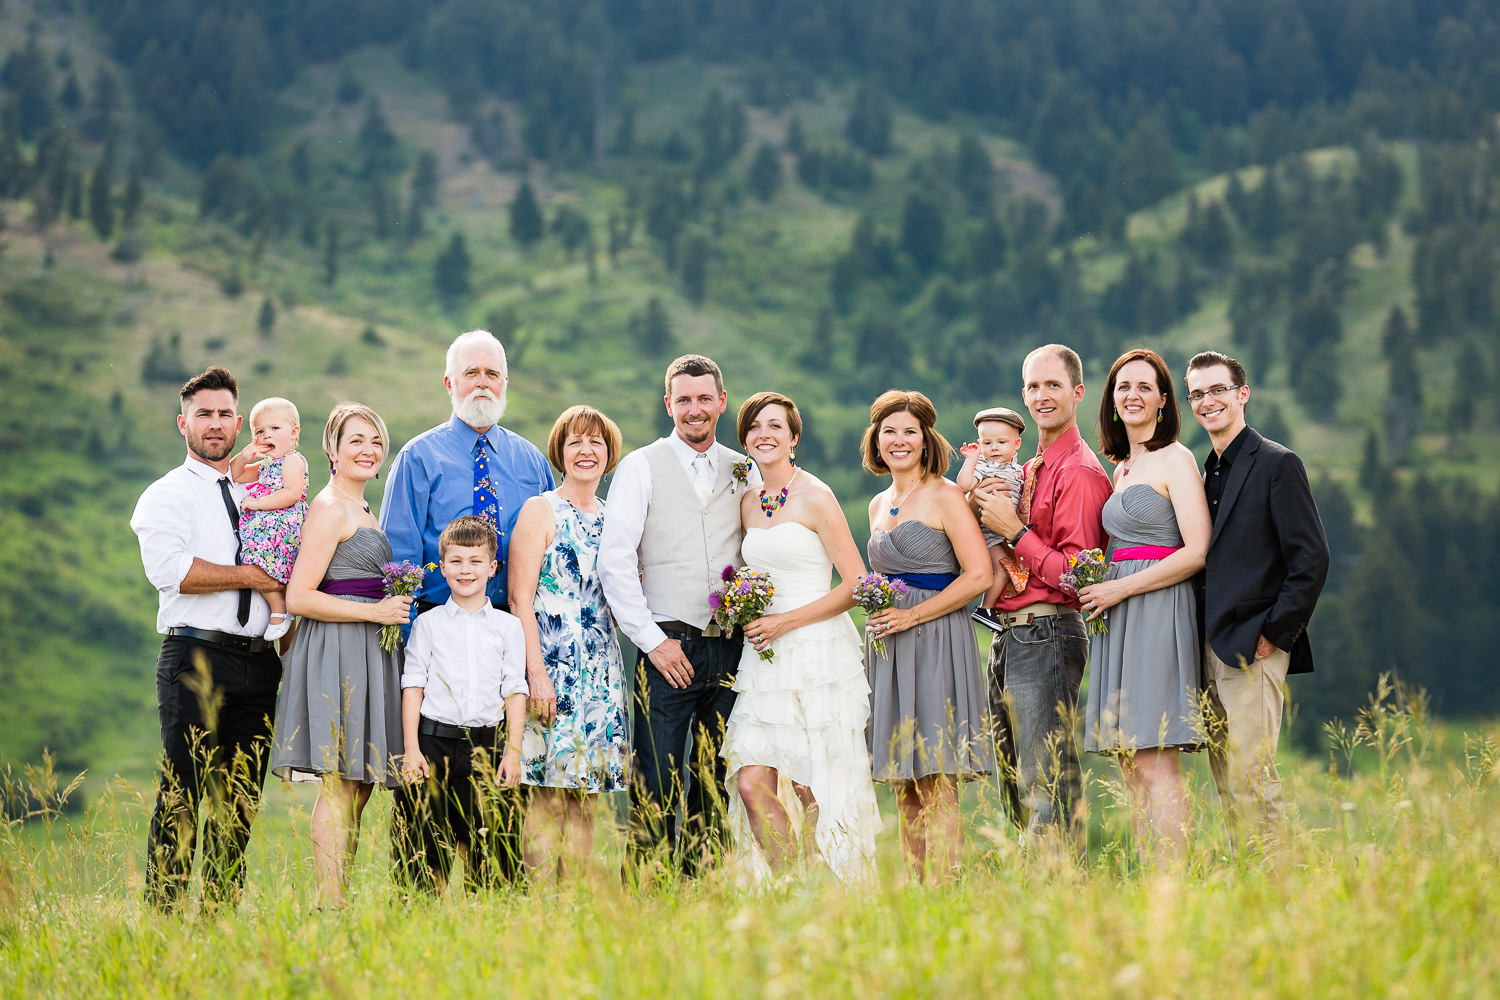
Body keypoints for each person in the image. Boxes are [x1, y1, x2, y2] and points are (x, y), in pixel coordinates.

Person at [379, 328, 553, 882]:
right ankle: (417, 906)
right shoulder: (418, 458)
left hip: (510, 647)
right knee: (425, 818)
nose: (482, 382)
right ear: (449, 383)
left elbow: (553, 549)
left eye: (492, 373)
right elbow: (400, 559)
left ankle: (495, 905)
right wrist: (411, 656)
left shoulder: (530, 462)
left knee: (499, 814)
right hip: (438, 646)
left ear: (506, 382)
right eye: (471, 373)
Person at [130, 366, 285, 913]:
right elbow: (173, 572)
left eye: (224, 414)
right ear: (183, 423)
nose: (215, 424)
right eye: (204, 414)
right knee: (182, 797)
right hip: (194, 656)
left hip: (259, 663)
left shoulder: (258, 493)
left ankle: (216, 921)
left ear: (239, 422)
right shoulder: (165, 495)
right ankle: (164, 921)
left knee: (239, 802)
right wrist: (253, 577)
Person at [720, 392, 882, 885]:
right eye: (753, 427)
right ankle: (796, 883)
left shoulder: (816, 495)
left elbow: (857, 584)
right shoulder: (748, 501)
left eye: (775, 426)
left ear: (794, 438)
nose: (763, 434)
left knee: (813, 787)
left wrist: (786, 622)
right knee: (752, 781)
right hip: (764, 657)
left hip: (815, 649)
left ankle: (835, 892)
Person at [598, 354, 749, 880]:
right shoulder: (641, 465)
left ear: (721, 402)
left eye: (705, 398)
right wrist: (652, 641)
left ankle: (704, 890)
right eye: (683, 399)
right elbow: (614, 561)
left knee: (713, 777)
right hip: (668, 646)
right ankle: (647, 897)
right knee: (656, 778)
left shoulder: (742, 467)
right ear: (669, 404)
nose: (695, 409)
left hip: (731, 647)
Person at [1185, 350, 1329, 844]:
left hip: (1255, 646)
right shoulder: (1208, 471)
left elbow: (1311, 559)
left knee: (1252, 773)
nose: (1208, 402)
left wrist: (1274, 633)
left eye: (1218, 389)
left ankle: (1276, 883)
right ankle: (1248, 878)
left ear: (1242, 394)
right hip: (1208, 644)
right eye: (1198, 394)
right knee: (1226, 779)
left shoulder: (1277, 462)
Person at [270, 402, 410, 909]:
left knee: (359, 783)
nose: (368, 450)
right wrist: (375, 614)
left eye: (375, 441)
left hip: (368, 649)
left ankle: (340, 895)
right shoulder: (330, 507)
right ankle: (330, 902)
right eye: (356, 440)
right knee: (340, 782)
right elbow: (299, 596)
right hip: (338, 646)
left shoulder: (364, 509)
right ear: (331, 450)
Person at [974, 344, 1112, 851]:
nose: (1041, 395)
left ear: (1077, 393)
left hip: (1049, 631)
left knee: (1045, 782)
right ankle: (1037, 896)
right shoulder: (1029, 466)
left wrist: (1014, 533)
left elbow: (1079, 577)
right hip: (1013, 634)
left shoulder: (1077, 471)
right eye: (1032, 386)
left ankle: (1056, 899)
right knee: (1015, 780)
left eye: (1052, 385)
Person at [1075, 349, 1210, 865]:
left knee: (1155, 758)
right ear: (1111, 400)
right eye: (1123, 386)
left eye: (1144, 387)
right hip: (1118, 614)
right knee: (1130, 758)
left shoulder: (1176, 458)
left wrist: (1120, 590)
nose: (1132, 395)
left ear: (1161, 401)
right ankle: (1152, 876)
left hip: (1155, 607)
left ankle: (1174, 877)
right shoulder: (1123, 467)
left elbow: (1197, 551)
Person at [863, 390, 994, 883]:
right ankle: (921, 894)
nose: (898, 440)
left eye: (909, 432)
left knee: (937, 776)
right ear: (876, 440)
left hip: (937, 637)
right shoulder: (878, 503)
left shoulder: (944, 495)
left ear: (926, 440)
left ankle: (950, 891)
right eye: (889, 431)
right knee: (904, 781)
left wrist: (912, 618)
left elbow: (978, 575)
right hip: (890, 648)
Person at [508, 406, 629, 886]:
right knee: (547, 795)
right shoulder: (541, 509)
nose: (586, 451)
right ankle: (536, 909)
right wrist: (536, 673)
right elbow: (519, 599)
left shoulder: (616, 519)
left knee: (586, 796)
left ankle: (572, 908)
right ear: (560, 451)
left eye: (596, 443)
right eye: (576, 441)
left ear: (609, 454)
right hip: (553, 665)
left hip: (602, 667)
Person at [393, 515, 528, 894]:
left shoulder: (507, 627)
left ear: (492, 567)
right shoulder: (428, 624)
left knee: (491, 861)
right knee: (419, 856)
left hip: (487, 746)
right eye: (455, 561)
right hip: (432, 746)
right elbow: (413, 685)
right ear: (442, 565)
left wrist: (512, 753)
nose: (465, 570)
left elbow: (516, 690)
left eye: (474, 562)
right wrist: (411, 751)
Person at [229, 396, 309, 641]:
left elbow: (292, 493)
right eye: (260, 431)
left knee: (257, 563)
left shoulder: (292, 461)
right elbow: (234, 474)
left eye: (275, 429)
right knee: (252, 561)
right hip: (267, 527)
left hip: (283, 525)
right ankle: (280, 608)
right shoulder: (266, 465)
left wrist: (257, 504)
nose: (267, 436)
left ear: (294, 433)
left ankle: (279, 609)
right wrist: (245, 455)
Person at [955, 406, 1028, 621]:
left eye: (1001, 442)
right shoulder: (984, 467)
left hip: (1005, 532)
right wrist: (971, 459)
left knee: (1007, 567)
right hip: (989, 532)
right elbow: (964, 484)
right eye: (987, 443)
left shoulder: (1018, 470)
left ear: (1016, 444)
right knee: (1004, 569)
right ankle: (986, 609)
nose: (994, 448)